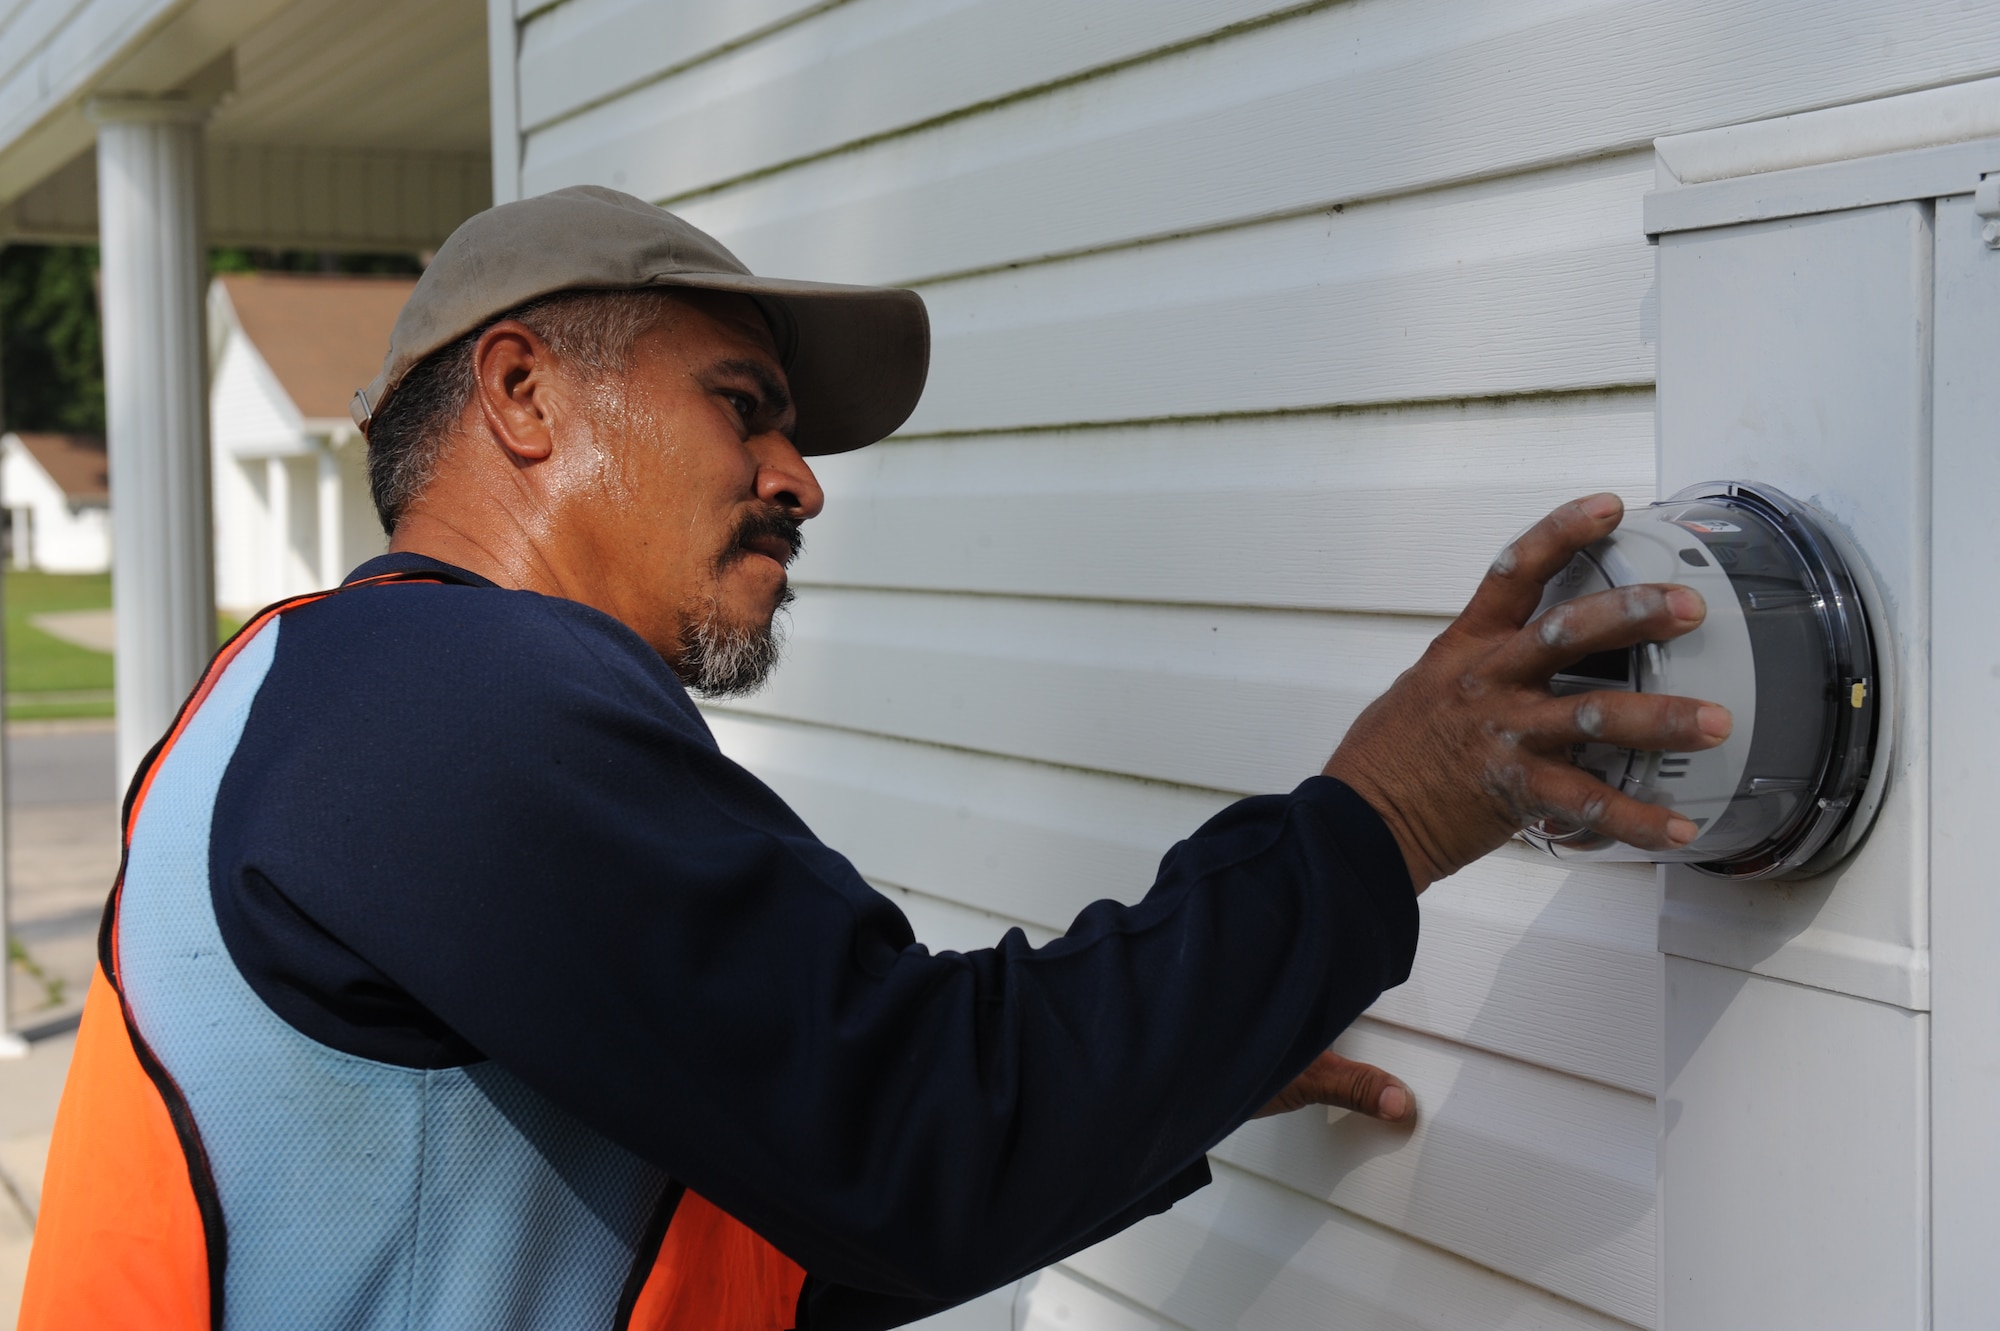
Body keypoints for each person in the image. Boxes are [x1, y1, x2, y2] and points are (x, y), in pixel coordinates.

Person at [18, 187, 1729, 1331]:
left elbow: (784, 1219)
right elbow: (916, 1134)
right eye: (743, 404)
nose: (802, 477)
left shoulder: (323, 693)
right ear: (525, 394)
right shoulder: (440, 701)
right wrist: (1394, 810)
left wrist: (1174, 1060)